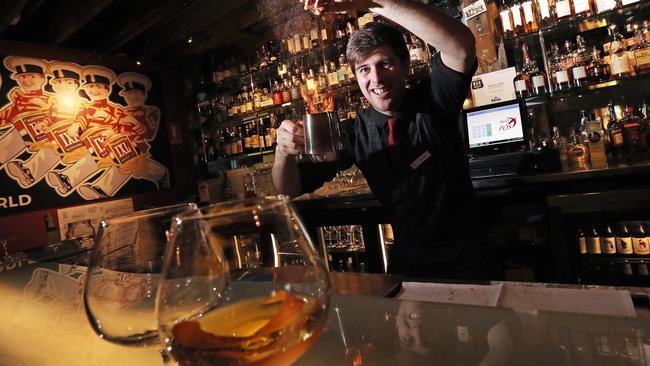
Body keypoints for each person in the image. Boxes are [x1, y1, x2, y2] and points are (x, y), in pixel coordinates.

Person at [273, 0, 488, 278]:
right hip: (409, 265)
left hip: (468, 259)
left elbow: (461, 46)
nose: (376, 78)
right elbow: (288, 189)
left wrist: (367, 3)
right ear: (356, 77)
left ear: (404, 65)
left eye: (384, 64)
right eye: (364, 69)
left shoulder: (434, 100)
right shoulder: (353, 133)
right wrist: (283, 151)